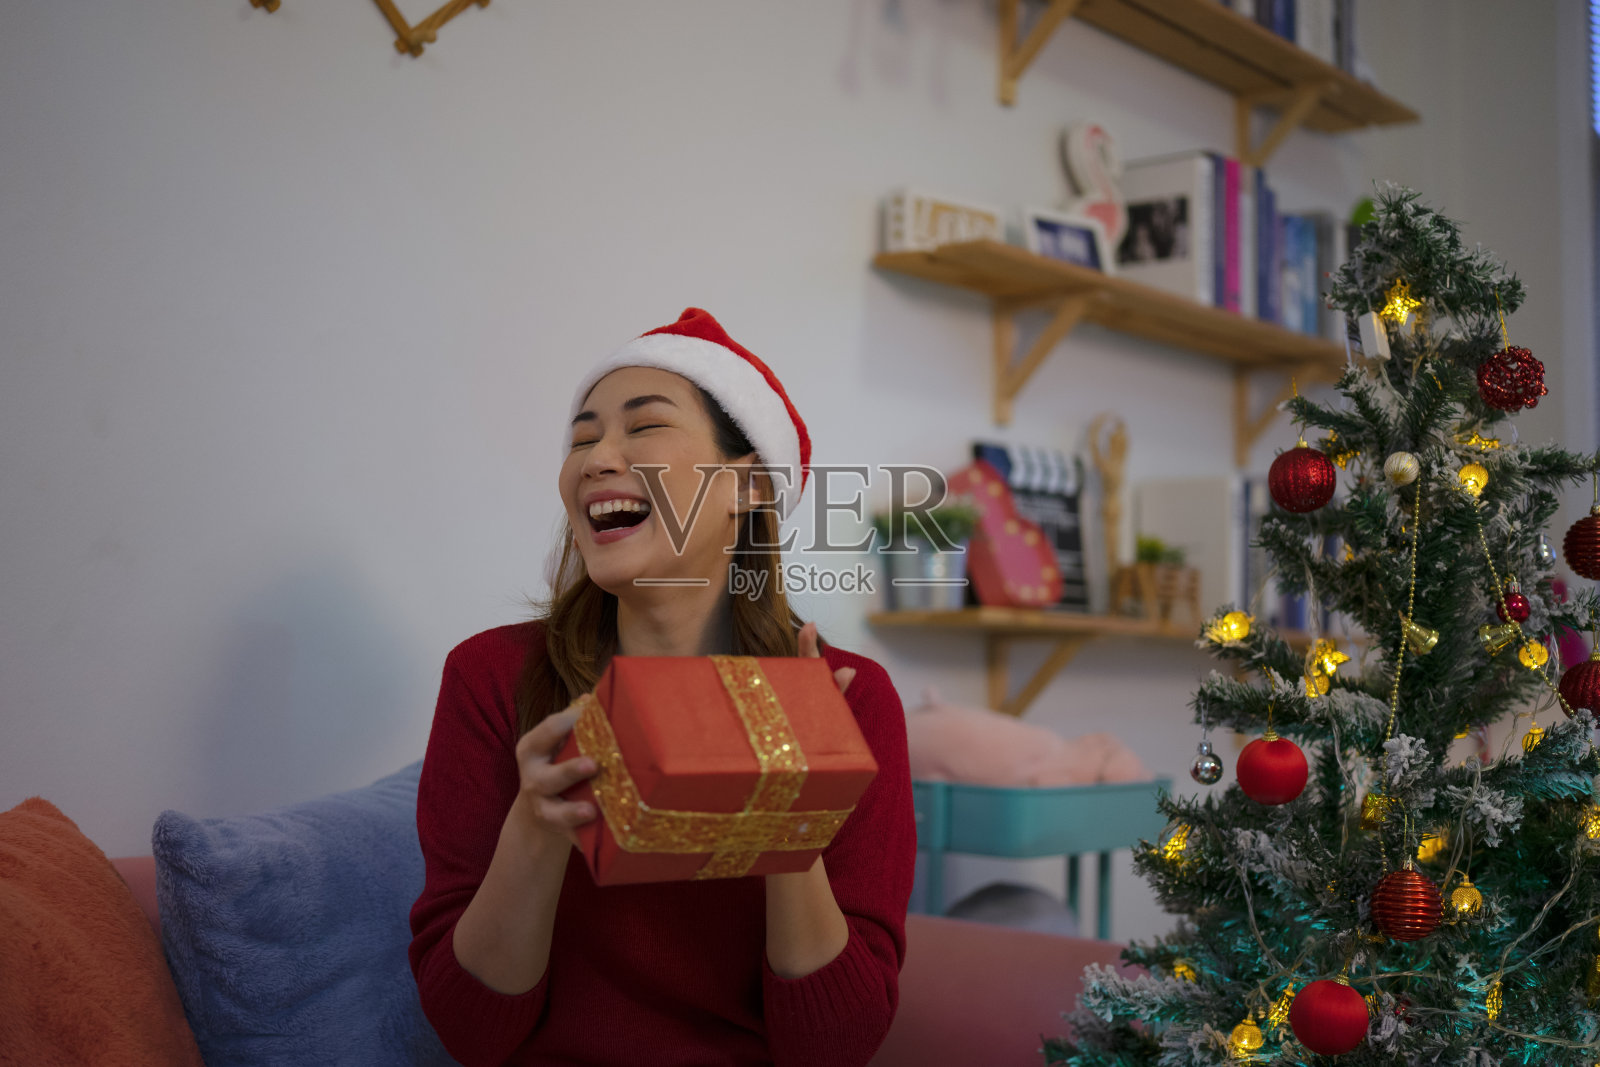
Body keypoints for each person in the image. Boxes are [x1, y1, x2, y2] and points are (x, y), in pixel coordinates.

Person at [407, 307, 918, 1067]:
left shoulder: (851, 699)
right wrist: (537, 826)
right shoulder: (492, 678)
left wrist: (787, 823)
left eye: (642, 428)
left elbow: (833, 1050)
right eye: (581, 437)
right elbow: (472, 1035)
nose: (595, 458)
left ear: (746, 486)